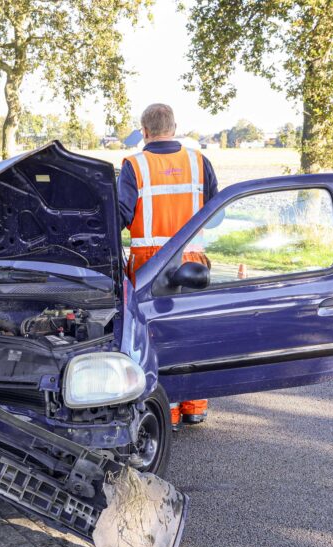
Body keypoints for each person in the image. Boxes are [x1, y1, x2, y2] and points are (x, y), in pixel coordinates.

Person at [119, 103, 218, 427]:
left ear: (144, 131)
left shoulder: (135, 166)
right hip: (193, 259)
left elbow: (119, 215)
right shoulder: (199, 162)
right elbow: (216, 214)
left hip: (150, 264)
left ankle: (168, 412)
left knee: (156, 338)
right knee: (194, 333)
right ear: (174, 128)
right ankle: (195, 407)